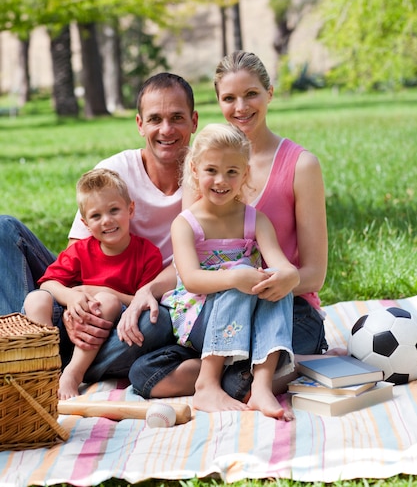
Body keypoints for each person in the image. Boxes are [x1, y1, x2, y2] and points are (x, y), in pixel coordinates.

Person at [128, 50, 328, 400]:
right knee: (143, 365)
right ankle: (243, 372)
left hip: (284, 305)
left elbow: (314, 273)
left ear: (270, 93)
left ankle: (238, 377)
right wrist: (148, 290)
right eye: (229, 98)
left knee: (243, 373)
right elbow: (191, 255)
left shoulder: (301, 165)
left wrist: (274, 282)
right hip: (216, 304)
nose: (241, 107)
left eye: (251, 94)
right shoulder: (203, 163)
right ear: (218, 101)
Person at [0, 72, 198, 380]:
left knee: (158, 323)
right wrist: (71, 306)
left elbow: (193, 266)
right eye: (155, 119)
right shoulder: (114, 171)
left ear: (194, 121)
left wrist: (120, 297)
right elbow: (76, 255)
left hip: (137, 304)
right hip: (82, 297)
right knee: (4, 229)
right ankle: (20, 349)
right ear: (139, 124)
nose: (166, 129)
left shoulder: (206, 181)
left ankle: (59, 367)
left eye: (177, 118)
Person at [129, 123, 299, 419]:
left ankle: (261, 386)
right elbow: (192, 280)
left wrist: (288, 276)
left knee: (277, 285)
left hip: (242, 313)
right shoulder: (186, 223)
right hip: (196, 317)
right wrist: (235, 276)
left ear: (245, 173)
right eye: (211, 170)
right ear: (194, 170)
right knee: (243, 274)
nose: (221, 180)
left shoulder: (255, 220)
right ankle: (207, 383)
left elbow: (281, 264)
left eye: (232, 171)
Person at [23, 168, 163, 399]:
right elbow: (48, 283)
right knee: (36, 298)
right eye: (96, 216)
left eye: (114, 210)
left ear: (130, 209)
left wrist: (105, 293)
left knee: (106, 301)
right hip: (74, 324)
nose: (106, 221)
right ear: (85, 223)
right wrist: (72, 297)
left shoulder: (147, 254)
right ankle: (46, 367)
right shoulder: (80, 250)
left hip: (113, 328)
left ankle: (73, 374)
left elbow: (146, 300)